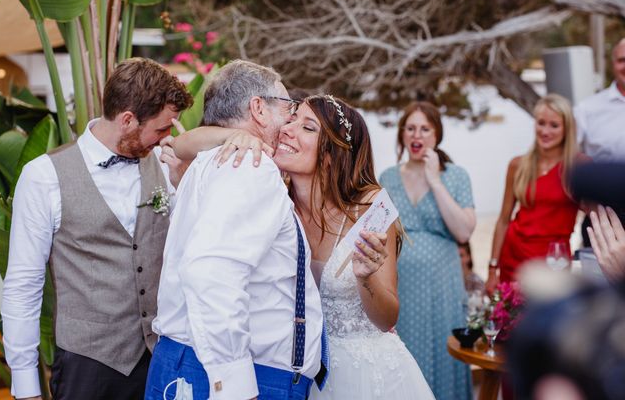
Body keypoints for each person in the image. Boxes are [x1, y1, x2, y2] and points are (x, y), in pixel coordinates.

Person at [171, 93, 436, 399]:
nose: (288, 129)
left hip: (366, 372)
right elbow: (181, 145)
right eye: (292, 119)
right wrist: (236, 135)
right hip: (295, 372)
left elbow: (387, 318)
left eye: (308, 128)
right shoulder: (275, 195)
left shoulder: (370, 208)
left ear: (331, 153)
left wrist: (365, 277)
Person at [1, 58, 194, 400]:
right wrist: (25, 385)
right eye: (162, 129)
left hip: (160, 361)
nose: (168, 139)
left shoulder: (166, 168)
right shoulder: (44, 176)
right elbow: (22, 287)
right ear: (127, 120)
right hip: (86, 366)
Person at [146, 60, 325, 400]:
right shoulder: (251, 166)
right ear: (258, 108)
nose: (290, 120)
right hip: (234, 374)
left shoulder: (208, 162)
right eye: (287, 108)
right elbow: (210, 272)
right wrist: (234, 384)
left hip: (187, 362)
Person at [379, 101, 475, 400]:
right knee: (406, 357)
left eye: (424, 128)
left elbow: (463, 231)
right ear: (402, 134)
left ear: (436, 135)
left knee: (443, 355)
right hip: (401, 286)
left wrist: (434, 180)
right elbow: (380, 232)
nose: (416, 134)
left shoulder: (456, 176)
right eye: (410, 128)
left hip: (442, 286)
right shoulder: (388, 177)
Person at [486, 94, 581, 293]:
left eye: (554, 125)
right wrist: (493, 268)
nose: (545, 131)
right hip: (514, 257)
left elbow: (595, 212)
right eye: (541, 123)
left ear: (567, 129)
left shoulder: (578, 166)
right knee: (512, 322)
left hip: (554, 261)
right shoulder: (518, 165)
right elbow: (504, 220)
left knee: (554, 321)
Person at [574, 38, 625, 162]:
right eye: (621, 60)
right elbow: (564, 153)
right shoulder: (586, 109)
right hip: (605, 181)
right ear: (613, 64)